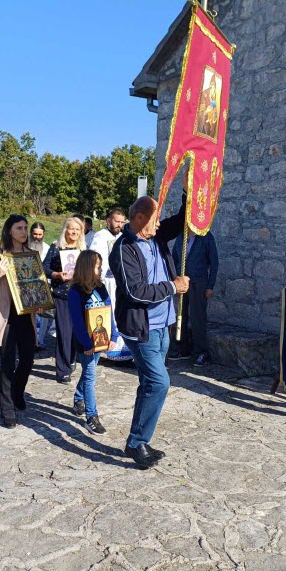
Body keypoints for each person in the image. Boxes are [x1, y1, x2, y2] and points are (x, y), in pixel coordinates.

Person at [109, 179, 189, 468]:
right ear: (140, 218)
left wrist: (187, 189)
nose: (159, 224)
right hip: (140, 328)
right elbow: (135, 291)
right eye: (155, 219)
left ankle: (138, 441)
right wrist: (173, 286)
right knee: (159, 382)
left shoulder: (155, 236)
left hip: (162, 326)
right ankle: (136, 442)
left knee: (148, 383)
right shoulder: (123, 248)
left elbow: (182, 221)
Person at [0, 215, 37, 428]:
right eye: (19, 228)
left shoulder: (30, 255)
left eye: (25, 228)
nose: (24, 232)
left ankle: (17, 391)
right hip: (5, 316)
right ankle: (7, 409)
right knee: (7, 362)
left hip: (25, 315)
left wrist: (39, 300)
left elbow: (36, 284)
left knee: (28, 359)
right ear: (9, 230)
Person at [68, 250, 117, 434]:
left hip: (101, 339)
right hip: (86, 343)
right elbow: (77, 321)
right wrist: (86, 344)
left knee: (90, 372)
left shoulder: (101, 287)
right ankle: (92, 416)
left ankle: (78, 397)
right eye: (97, 266)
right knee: (90, 376)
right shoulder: (75, 292)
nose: (101, 269)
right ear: (87, 267)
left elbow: (108, 311)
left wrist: (113, 335)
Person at [44, 217, 87, 383]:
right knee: (64, 332)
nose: (74, 232)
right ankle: (63, 370)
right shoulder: (56, 247)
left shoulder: (83, 249)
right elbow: (44, 267)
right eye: (71, 228)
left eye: (77, 229)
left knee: (76, 332)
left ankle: (71, 360)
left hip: (80, 295)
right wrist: (56, 274)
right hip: (62, 296)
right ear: (65, 230)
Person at [170, 230, 219, 365]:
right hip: (182, 282)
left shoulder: (206, 237)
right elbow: (174, 259)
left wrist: (210, 286)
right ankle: (183, 349)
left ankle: (201, 352)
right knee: (181, 316)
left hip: (199, 282)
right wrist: (174, 280)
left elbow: (214, 262)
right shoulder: (181, 236)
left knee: (198, 318)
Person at [90, 208, 131, 362]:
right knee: (109, 313)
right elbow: (96, 258)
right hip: (107, 282)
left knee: (122, 313)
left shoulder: (124, 236)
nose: (119, 225)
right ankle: (110, 348)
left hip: (121, 282)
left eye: (122, 222)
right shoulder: (100, 236)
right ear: (108, 221)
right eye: (116, 221)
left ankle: (123, 350)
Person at [29, 222, 52, 350]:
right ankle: (31, 340)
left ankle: (39, 340)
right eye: (35, 234)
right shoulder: (25, 246)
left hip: (43, 285)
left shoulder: (47, 248)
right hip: (27, 285)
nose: (37, 237)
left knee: (42, 315)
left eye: (40, 234)